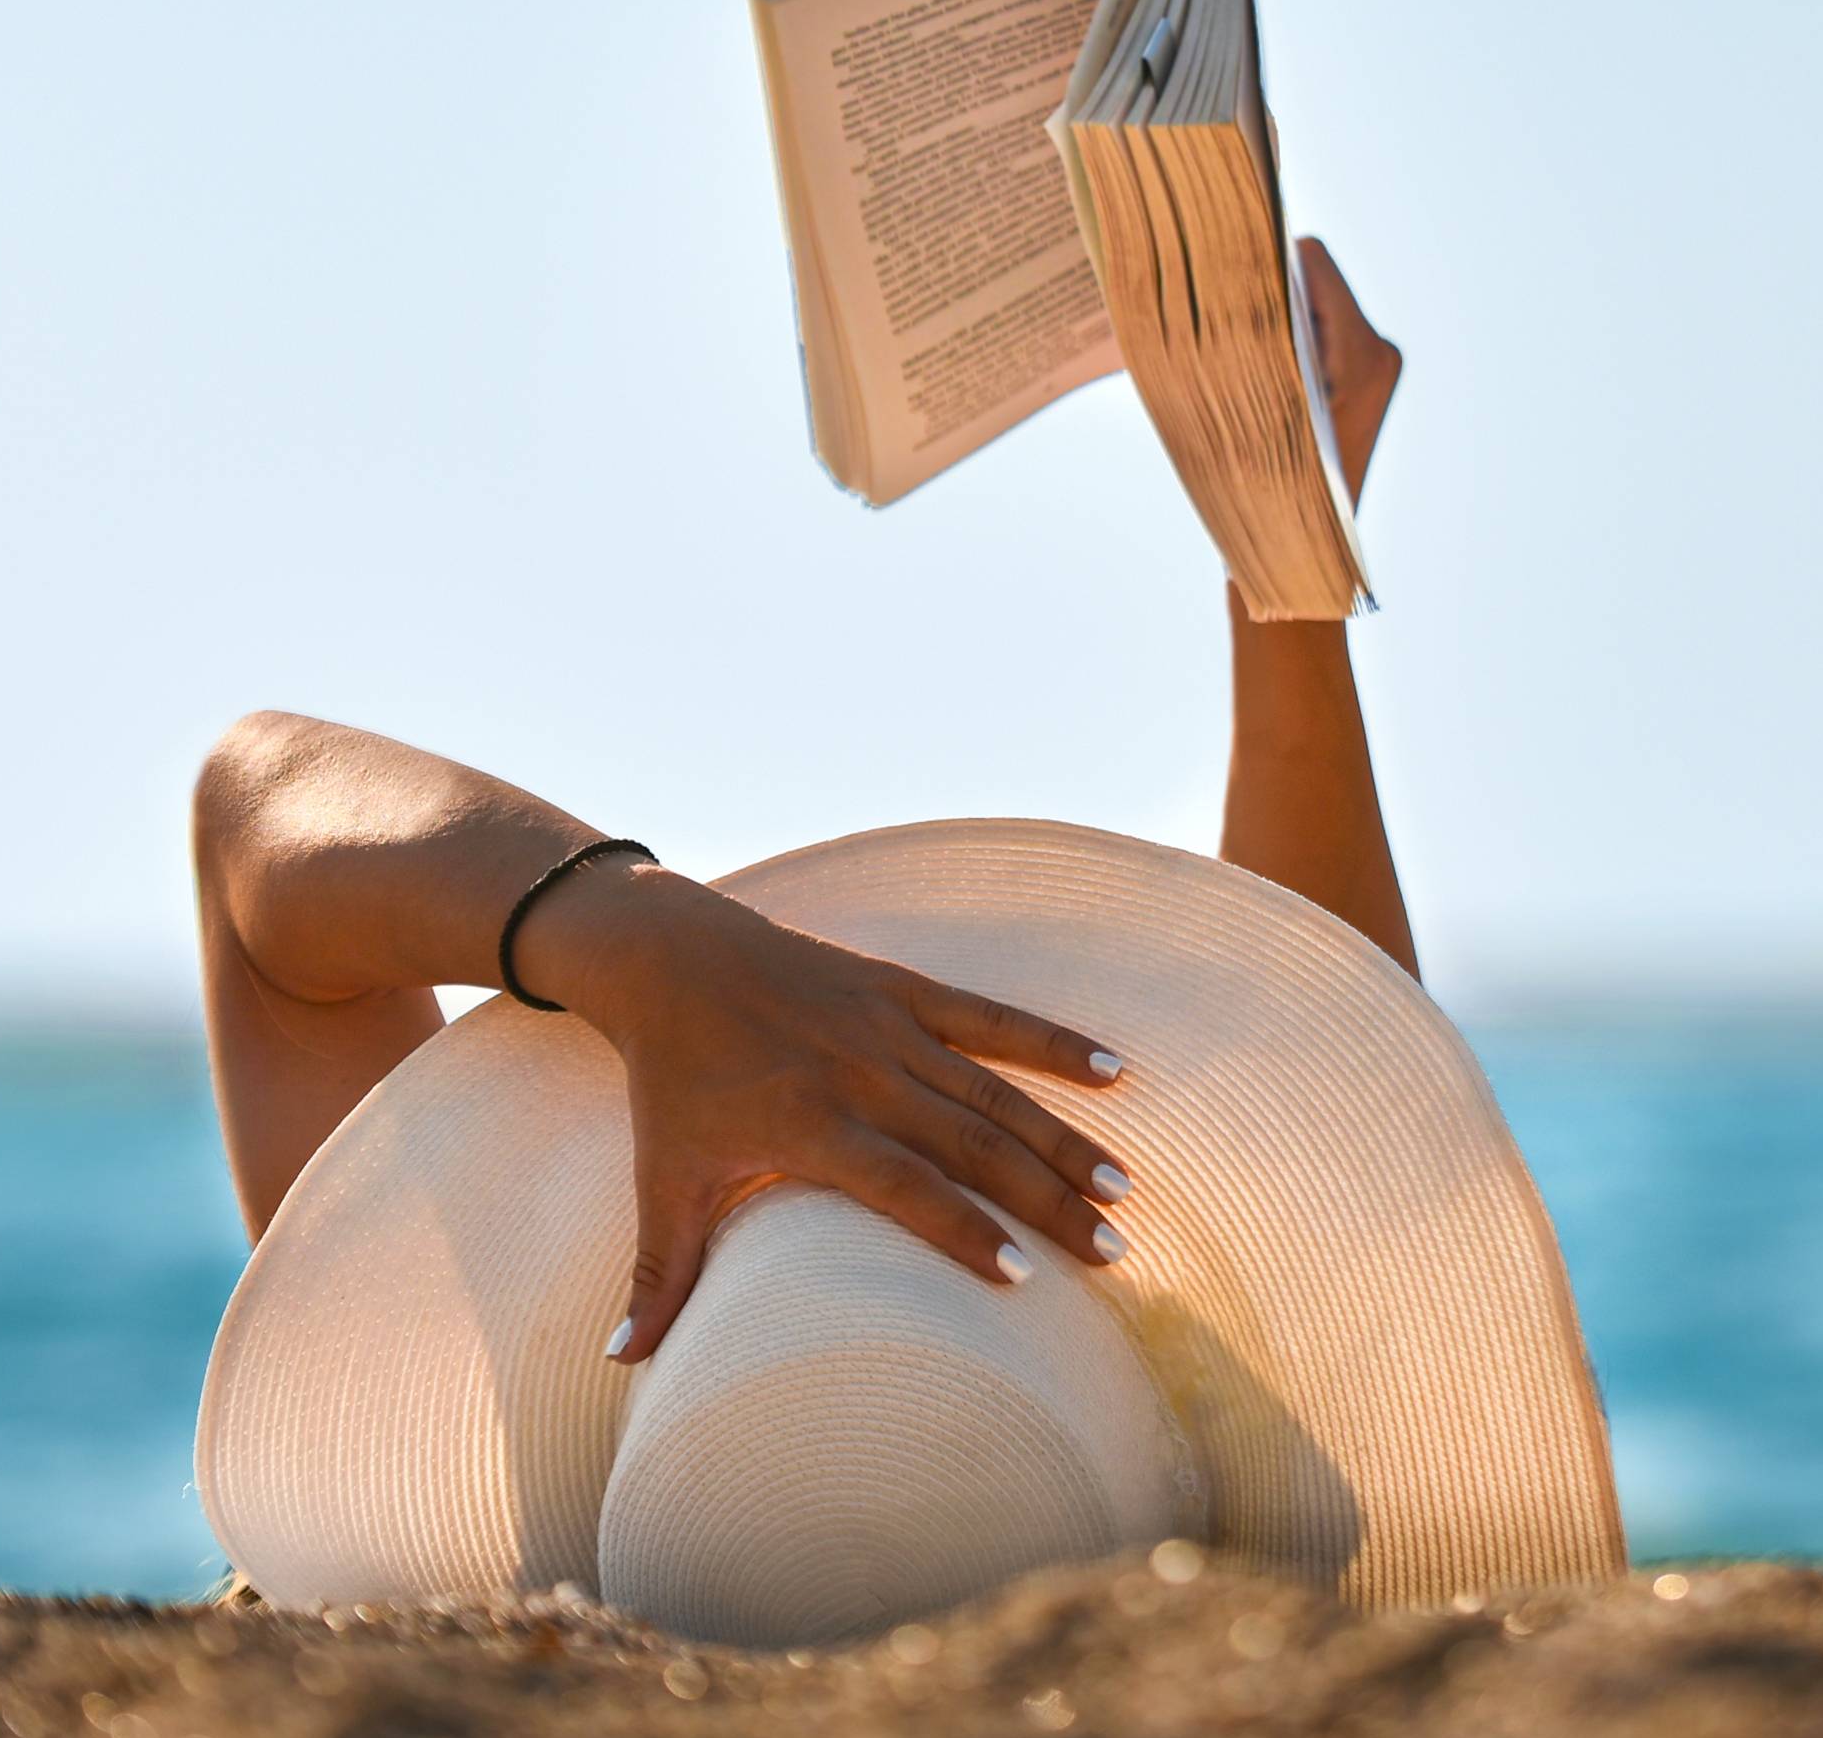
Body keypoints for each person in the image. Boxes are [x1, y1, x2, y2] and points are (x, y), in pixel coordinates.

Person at [190, 240, 1413, 1364]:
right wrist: (1284, 566)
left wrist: (650, 951)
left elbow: (261, 798)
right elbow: (1343, 1053)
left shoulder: (464, 1506)